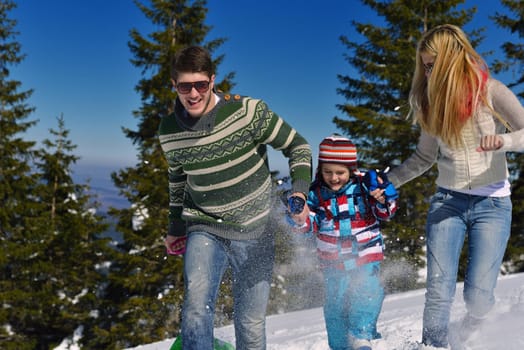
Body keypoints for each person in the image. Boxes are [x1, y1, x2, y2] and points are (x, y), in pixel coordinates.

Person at [158, 45, 312, 350]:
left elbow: (298, 146)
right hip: (205, 225)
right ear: (174, 85)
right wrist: (175, 227)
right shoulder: (169, 131)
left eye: (200, 85)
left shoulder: (248, 112)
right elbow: (177, 181)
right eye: (185, 86)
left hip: (257, 229)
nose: (193, 94)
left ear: (212, 80)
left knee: (250, 322)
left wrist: (300, 191)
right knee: (195, 308)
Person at [386, 24, 524, 350]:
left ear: (453, 59)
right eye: (426, 66)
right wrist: (389, 182)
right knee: (438, 288)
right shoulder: (431, 103)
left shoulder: (490, 91)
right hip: (447, 201)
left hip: (492, 204)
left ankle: (470, 334)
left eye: (434, 64)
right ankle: (432, 347)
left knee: (478, 296)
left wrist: (503, 140)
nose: (429, 72)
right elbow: (423, 157)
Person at [289, 134, 398, 350]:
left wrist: (383, 199)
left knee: (367, 289)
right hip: (333, 262)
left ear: (351, 169)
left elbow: (385, 213)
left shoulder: (365, 187)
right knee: (336, 305)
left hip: (366, 254)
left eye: (340, 172)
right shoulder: (315, 193)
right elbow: (310, 225)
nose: (334, 177)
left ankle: (361, 336)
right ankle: (341, 346)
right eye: (327, 172)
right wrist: (300, 219)